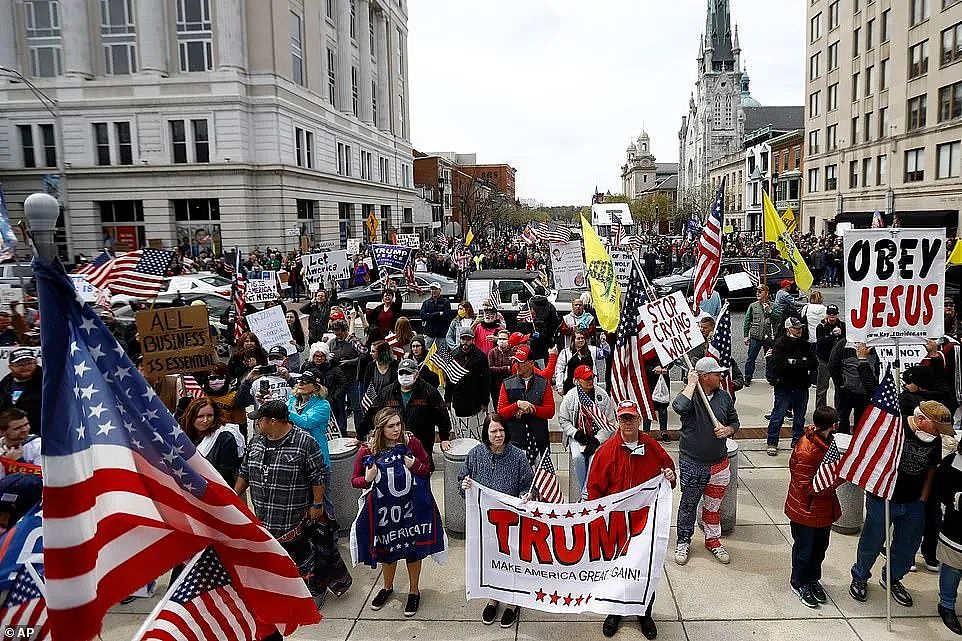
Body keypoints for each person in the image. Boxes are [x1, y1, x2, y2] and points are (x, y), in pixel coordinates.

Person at [849, 400, 954, 606]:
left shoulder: (934, 439)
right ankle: (860, 576)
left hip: (913, 501)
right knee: (872, 541)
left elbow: (932, 467)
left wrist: (923, 497)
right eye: (937, 427)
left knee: (907, 547)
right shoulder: (895, 428)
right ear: (921, 420)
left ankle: (892, 577)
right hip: (883, 497)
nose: (939, 433)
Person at [587, 400, 676, 639]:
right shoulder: (606, 451)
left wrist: (670, 475)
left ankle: (644, 612)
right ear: (617, 421)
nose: (628, 423)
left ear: (639, 420)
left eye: (632, 418)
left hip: (644, 524)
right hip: (616, 526)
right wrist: (598, 520)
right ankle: (614, 611)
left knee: (644, 570)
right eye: (623, 418)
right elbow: (594, 489)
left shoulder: (651, 446)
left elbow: (670, 471)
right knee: (616, 570)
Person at [234, 400, 338, 601]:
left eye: (260, 420)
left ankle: (313, 593)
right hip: (264, 517)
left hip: (293, 517)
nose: (256, 424)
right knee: (274, 560)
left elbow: (318, 476)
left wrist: (317, 504)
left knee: (302, 558)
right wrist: (233, 496)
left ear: (273, 421)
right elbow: (245, 471)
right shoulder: (256, 441)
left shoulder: (304, 442)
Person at [352, 408, 434, 617]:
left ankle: (414, 591)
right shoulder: (368, 449)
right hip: (384, 511)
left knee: (413, 550)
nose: (397, 429)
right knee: (387, 551)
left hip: (410, 509)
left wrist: (414, 464)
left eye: (398, 424)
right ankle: (387, 587)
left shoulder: (411, 443)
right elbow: (355, 480)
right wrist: (368, 479)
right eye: (391, 426)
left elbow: (427, 468)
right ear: (380, 428)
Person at [459, 414, 533, 627]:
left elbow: (527, 485)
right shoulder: (474, 455)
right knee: (490, 560)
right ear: (486, 434)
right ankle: (493, 598)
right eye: (493, 431)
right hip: (485, 522)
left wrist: (526, 495)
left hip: (511, 521)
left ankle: (512, 602)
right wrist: (464, 487)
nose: (498, 435)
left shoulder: (518, 456)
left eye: (501, 430)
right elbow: (462, 480)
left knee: (511, 561)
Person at [672, 357, 739, 566]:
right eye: (717, 374)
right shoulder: (690, 395)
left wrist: (728, 430)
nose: (721, 376)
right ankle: (683, 539)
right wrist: (691, 384)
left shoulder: (724, 397)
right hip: (693, 462)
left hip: (719, 462)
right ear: (704, 376)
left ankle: (713, 539)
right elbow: (679, 407)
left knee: (713, 506)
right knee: (689, 504)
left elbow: (734, 420)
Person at [784, 406, 842, 608]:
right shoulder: (807, 450)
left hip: (822, 509)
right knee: (804, 550)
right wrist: (839, 479)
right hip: (805, 509)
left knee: (819, 548)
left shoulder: (827, 442)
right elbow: (808, 487)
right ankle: (799, 582)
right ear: (833, 425)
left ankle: (813, 579)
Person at [363, 358, 451, 465]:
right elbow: (372, 413)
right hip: (394, 444)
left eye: (408, 373)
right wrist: (360, 436)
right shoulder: (387, 392)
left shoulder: (429, 391)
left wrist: (444, 438)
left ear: (416, 374)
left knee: (423, 471)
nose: (404, 376)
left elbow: (442, 415)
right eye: (402, 372)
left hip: (422, 443)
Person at [558, 364, 616, 498]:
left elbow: (610, 422)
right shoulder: (570, 397)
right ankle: (585, 489)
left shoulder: (602, 395)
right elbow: (563, 420)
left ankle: (585, 492)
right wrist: (575, 433)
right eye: (586, 379)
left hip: (598, 436)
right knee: (577, 457)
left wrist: (597, 440)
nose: (590, 381)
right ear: (577, 380)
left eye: (591, 378)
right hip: (577, 435)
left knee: (595, 458)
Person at [497, 345, 555, 462]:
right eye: (515, 361)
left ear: (531, 363)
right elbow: (501, 412)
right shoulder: (507, 384)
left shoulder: (544, 383)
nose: (516, 365)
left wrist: (530, 408)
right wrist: (517, 405)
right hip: (514, 440)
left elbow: (550, 411)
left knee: (541, 476)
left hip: (539, 440)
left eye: (521, 362)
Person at [766, 318, 815, 456]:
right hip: (784, 386)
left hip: (801, 385)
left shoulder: (805, 344)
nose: (799, 330)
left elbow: (813, 362)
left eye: (800, 327)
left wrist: (793, 362)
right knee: (778, 415)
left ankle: (797, 440)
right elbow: (779, 365)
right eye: (796, 328)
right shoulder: (780, 344)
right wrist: (801, 362)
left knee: (800, 417)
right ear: (788, 329)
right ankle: (772, 441)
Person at [179, 398, 244, 486]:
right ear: (191, 417)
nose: (205, 420)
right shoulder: (184, 436)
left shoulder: (225, 438)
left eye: (209, 415)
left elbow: (225, 475)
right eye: (200, 416)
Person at [936, 441, 962, 635]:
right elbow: (943, 493)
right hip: (957, 528)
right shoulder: (951, 463)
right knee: (953, 568)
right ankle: (946, 605)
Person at [829, 341, 880, 435]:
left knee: (861, 422)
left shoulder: (873, 343)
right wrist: (841, 384)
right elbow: (832, 366)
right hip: (846, 391)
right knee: (842, 419)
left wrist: (874, 384)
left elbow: (876, 366)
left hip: (865, 392)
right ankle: (842, 443)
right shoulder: (842, 344)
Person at [448, 327, 491, 439]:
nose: (465, 342)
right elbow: (449, 379)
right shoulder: (453, 355)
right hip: (458, 399)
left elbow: (486, 381)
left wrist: (485, 402)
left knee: (476, 431)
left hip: (475, 399)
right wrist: (447, 399)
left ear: (472, 340)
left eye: (468, 339)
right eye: (463, 339)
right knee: (460, 431)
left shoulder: (481, 357)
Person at [287, 370, 333, 467]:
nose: (300, 383)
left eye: (306, 382)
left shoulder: (323, 405)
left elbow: (305, 422)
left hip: (315, 456)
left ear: (316, 387)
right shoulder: (292, 400)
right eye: (299, 381)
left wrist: (282, 409)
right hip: (294, 454)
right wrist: (268, 402)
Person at [328, 318, 365, 433]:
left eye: (340, 332)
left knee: (356, 407)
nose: (338, 335)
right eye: (335, 332)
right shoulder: (332, 343)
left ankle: (360, 431)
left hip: (352, 379)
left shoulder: (353, 341)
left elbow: (364, 356)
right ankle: (342, 431)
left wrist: (350, 362)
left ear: (345, 330)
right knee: (339, 407)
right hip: (338, 381)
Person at [0, 348, 42, 435]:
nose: (25, 367)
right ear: (11, 367)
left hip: (39, 436)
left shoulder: (47, 382)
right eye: (20, 364)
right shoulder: (6, 382)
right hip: (10, 436)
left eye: (29, 363)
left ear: (36, 362)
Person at [814, 304, 845, 408]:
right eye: (830, 314)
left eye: (834, 314)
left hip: (838, 362)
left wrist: (841, 335)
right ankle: (820, 412)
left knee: (840, 388)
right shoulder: (821, 327)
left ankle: (839, 413)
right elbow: (821, 342)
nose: (832, 316)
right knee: (822, 388)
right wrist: (832, 335)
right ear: (826, 314)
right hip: (824, 360)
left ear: (837, 315)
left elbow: (846, 342)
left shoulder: (842, 326)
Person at [743, 285, 773, 386]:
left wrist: (769, 311)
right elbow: (747, 321)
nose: (758, 294)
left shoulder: (773, 305)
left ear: (766, 293)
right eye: (757, 292)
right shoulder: (753, 306)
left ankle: (770, 377)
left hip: (768, 337)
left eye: (760, 292)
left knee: (770, 358)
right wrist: (746, 335)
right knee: (751, 358)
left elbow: (777, 319)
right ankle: (747, 377)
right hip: (755, 336)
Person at [419, 283, 455, 348]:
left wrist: (430, 315)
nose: (434, 291)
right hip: (430, 335)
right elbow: (423, 316)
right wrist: (438, 314)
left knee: (443, 355)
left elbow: (447, 316)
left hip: (442, 336)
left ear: (440, 290)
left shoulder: (446, 302)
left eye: (436, 289)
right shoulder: (426, 303)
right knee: (428, 355)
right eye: (432, 289)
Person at [488, 329, 514, 409]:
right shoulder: (492, 352)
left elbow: (513, 369)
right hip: (496, 386)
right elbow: (490, 369)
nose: (502, 341)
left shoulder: (512, 352)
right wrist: (506, 368)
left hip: (510, 385)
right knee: (498, 407)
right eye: (500, 339)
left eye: (504, 339)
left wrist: (498, 369)